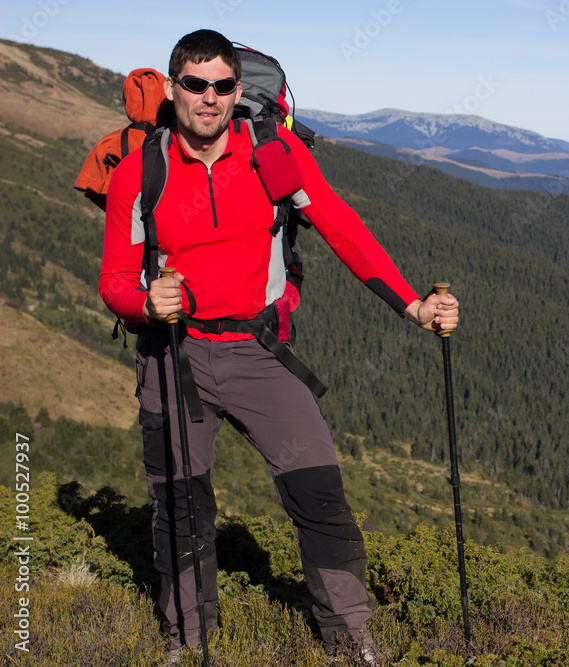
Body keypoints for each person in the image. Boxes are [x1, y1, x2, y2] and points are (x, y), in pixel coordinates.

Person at [98, 29, 459, 664]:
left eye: (223, 86)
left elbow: (341, 226)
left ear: (238, 91)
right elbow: (115, 282)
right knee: (181, 506)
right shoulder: (139, 172)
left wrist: (413, 305)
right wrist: (144, 304)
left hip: (259, 349)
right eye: (194, 84)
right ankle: (189, 642)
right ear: (173, 86)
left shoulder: (273, 150)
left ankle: (351, 642)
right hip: (173, 355)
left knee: (319, 493)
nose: (208, 98)